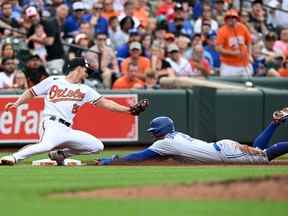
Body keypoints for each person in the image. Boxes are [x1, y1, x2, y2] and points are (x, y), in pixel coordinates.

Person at [0, 57, 145, 166]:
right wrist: (18, 103)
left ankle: (60, 155)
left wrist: (128, 110)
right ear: (79, 68)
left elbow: (106, 103)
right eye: (86, 70)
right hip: (51, 123)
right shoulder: (54, 80)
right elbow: (32, 92)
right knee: (45, 145)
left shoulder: (85, 89)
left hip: (67, 129)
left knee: (97, 146)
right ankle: (14, 157)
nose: (87, 74)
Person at [97, 108, 288, 165]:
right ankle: (275, 123)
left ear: (161, 131)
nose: (153, 134)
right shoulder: (174, 136)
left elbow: (139, 157)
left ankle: (275, 124)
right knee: (258, 151)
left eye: (154, 131)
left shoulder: (165, 143)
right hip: (223, 149)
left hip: (224, 153)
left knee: (264, 156)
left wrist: (112, 161)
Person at [215, 9, 253, 77]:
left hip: (244, 64)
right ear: (226, 19)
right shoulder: (222, 31)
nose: (231, 19)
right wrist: (233, 53)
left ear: (237, 19)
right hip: (229, 65)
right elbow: (218, 48)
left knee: (247, 85)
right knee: (228, 85)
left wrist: (249, 54)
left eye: (233, 17)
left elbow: (249, 42)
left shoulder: (242, 27)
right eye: (229, 17)